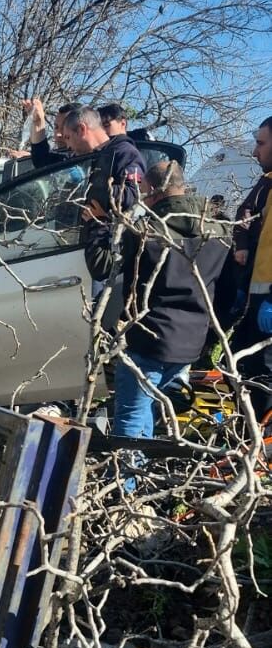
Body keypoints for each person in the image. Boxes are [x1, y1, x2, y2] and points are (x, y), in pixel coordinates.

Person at [86, 160, 228, 439]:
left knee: (130, 420)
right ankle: (138, 476)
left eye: (143, 190)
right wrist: (209, 336)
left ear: (153, 189)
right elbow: (225, 294)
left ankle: (127, 480)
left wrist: (96, 225)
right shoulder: (218, 232)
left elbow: (101, 266)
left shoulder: (145, 231)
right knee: (151, 412)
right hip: (190, 344)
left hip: (148, 340)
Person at [229, 115, 272, 416]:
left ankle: (261, 452)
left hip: (267, 298)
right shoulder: (265, 184)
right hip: (257, 298)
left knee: (263, 379)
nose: (255, 152)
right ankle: (251, 443)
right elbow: (243, 215)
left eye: (261, 143)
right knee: (242, 366)